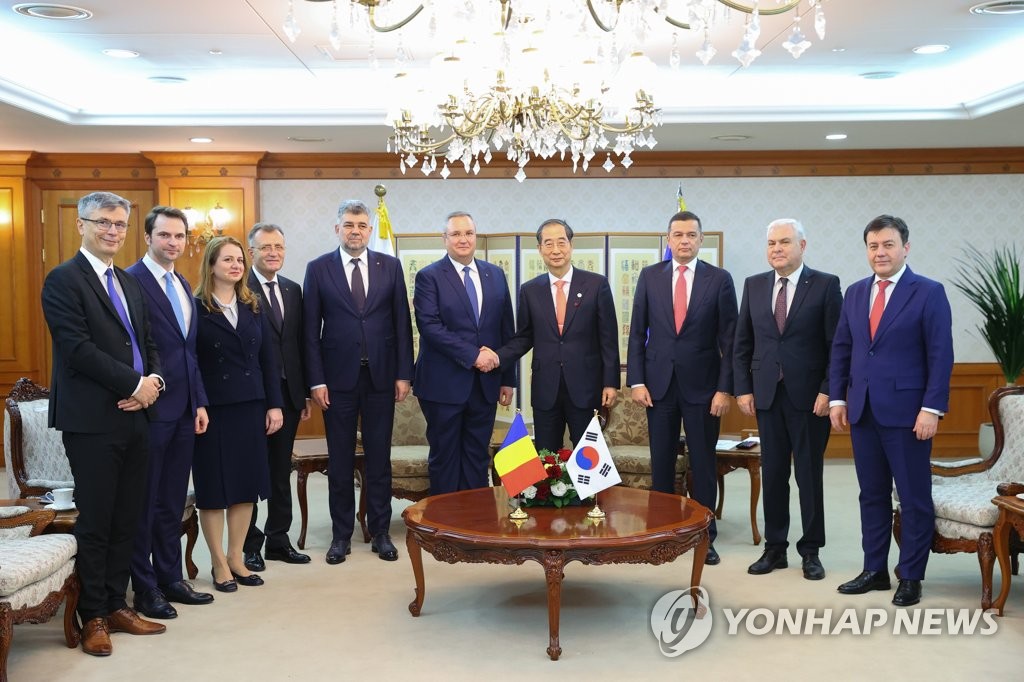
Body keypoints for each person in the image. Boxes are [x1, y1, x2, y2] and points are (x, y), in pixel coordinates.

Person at [41, 191, 167, 657]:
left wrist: (152, 382)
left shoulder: (130, 282)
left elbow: (149, 342)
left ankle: (117, 604)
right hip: (93, 420)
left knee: (128, 516)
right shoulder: (63, 280)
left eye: (119, 224)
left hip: (138, 416)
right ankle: (91, 614)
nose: (113, 231)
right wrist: (135, 384)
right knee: (97, 519)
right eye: (104, 223)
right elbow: (77, 349)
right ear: (81, 225)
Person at [830, 214, 953, 607]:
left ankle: (911, 575)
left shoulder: (928, 292)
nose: (880, 252)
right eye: (873, 246)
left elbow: (940, 355)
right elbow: (843, 350)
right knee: (872, 495)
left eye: (888, 245)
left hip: (909, 413)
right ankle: (874, 570)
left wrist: (931, 408)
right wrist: (838, 398)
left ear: (905, 248)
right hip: (863, 410)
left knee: (914, 498)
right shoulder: (854, 293)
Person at [303, 199, 414, 564]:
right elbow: (309, 332)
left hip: (382, 378)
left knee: (379, 458)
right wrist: (316, 381)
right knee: (340, 460)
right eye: (349, 224)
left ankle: (381, 532)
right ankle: (341, 536)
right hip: (336, 382)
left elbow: (401, 324)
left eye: (362, 225)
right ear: (337, 229)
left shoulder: (390, 266)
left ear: (370, 230)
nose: (356, 230)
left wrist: (403, 373)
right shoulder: (318, 269)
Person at [626, 210, 737, 566]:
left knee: (703, 464)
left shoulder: (719, 280)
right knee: (661, 463)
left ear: (701, 240)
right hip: (658, 387)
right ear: (668, 240)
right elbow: (636, 333)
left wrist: (725, 389)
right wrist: (637, 380)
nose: (685, 240)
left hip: (704, 388)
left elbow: (730, 340)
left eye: (691, 234)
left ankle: (705, 535)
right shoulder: (650, 276)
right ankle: (662, 533)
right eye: (678, 234)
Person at [733, 219, 842, 581]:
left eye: (784, 242)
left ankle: (811, 550)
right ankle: (775, 548)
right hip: (766, 394)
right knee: (774, 474)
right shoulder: (753, 285)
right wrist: (743, 388)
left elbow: (836, 347)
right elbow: (742, 343)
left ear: (802, 245)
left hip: (811, 398)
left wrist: (829, 390)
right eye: (770, 243)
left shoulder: (825, 285)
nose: (776, 249)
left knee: (808, 475)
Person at [125, 207, 214, 619]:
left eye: (179, 236)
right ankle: (144, 589)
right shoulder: (129, 281)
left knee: (172, 500)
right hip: (150, 408)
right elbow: (129, 346)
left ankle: (170, 577)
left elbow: (187, 351)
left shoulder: (181, 282)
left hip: (183, 410)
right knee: (145, 502)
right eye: (164, 235)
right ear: (148, 237)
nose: (173, 243)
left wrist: (198, 401)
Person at [193, 236, 284, 592]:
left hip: (251, 405)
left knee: (246, 486)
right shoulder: (195, 306)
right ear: (211, 264)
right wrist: (197, 402)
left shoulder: (253, 305)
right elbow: (192, 363)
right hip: (213, 409)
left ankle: (236, 557)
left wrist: (274, 403)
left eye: (239, 260)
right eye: (227, 259)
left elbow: (268, 361)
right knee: (215, 488)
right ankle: (217, 562)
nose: (235, 265)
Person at [490, 218, 619, 451]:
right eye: (548, 244)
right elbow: (524, 336)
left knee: (587, 457)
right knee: (547, 456)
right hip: (545, 387)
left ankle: (588, 491)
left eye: (561, 242)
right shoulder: (530, 290)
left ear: (571, 244)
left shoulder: (596, 285)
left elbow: (608, 338)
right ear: (539, 249)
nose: (556, 250)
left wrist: (610, 382)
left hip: (586, 386)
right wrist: (497, 357)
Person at [413, 211, 515, 494]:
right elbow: (430, 327)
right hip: (442, 384)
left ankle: (473, 526)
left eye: (468, 233)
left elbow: (506, 329)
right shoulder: (429, 276)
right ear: (444, 239)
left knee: (476, 456)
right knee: (445, 457)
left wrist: (508, 378)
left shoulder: (494, 274)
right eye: (456, 234)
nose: (463, 239)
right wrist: (474, 355)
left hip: (486, 384)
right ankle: (445, 527)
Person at [242, 222, 312, 572]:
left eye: (279, 247)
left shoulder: (293, 289)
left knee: (281, 469)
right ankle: (249, 544)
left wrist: (303, 393)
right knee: (253, 470)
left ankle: (278, 540)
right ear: (250, 251)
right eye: (266, 247)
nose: (273, 253)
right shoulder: (240, 289)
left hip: (288, 394)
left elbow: (299, 345)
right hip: (253, 396)